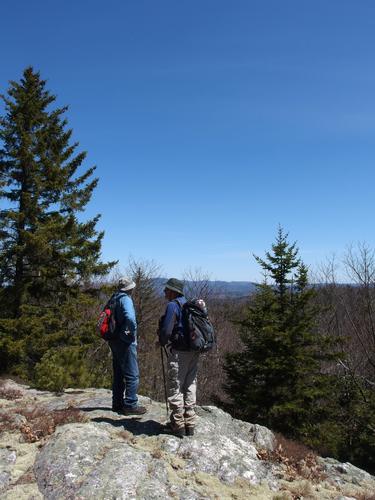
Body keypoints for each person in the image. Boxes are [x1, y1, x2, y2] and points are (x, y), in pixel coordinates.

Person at [158, 278, 200, 437]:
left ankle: (177, 424)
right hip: (194, 351)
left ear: (173, 291)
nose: (164, 292)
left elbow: (167, 330)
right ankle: (190, 423)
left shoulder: (172, 306)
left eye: (166, 289)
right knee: (190, 385)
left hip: (179, 352)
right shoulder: (189, 305)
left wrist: (162, 341)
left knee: (175, 386)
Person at [109, 276, 147, 415]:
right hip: (125, 340)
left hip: (114, 340)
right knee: (132, 374)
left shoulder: (114, 297)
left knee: (118, 373)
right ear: (130, 288)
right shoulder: (125, 299)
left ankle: (117, 403)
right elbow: (130, 318)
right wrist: (131, 331)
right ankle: (130, 404)